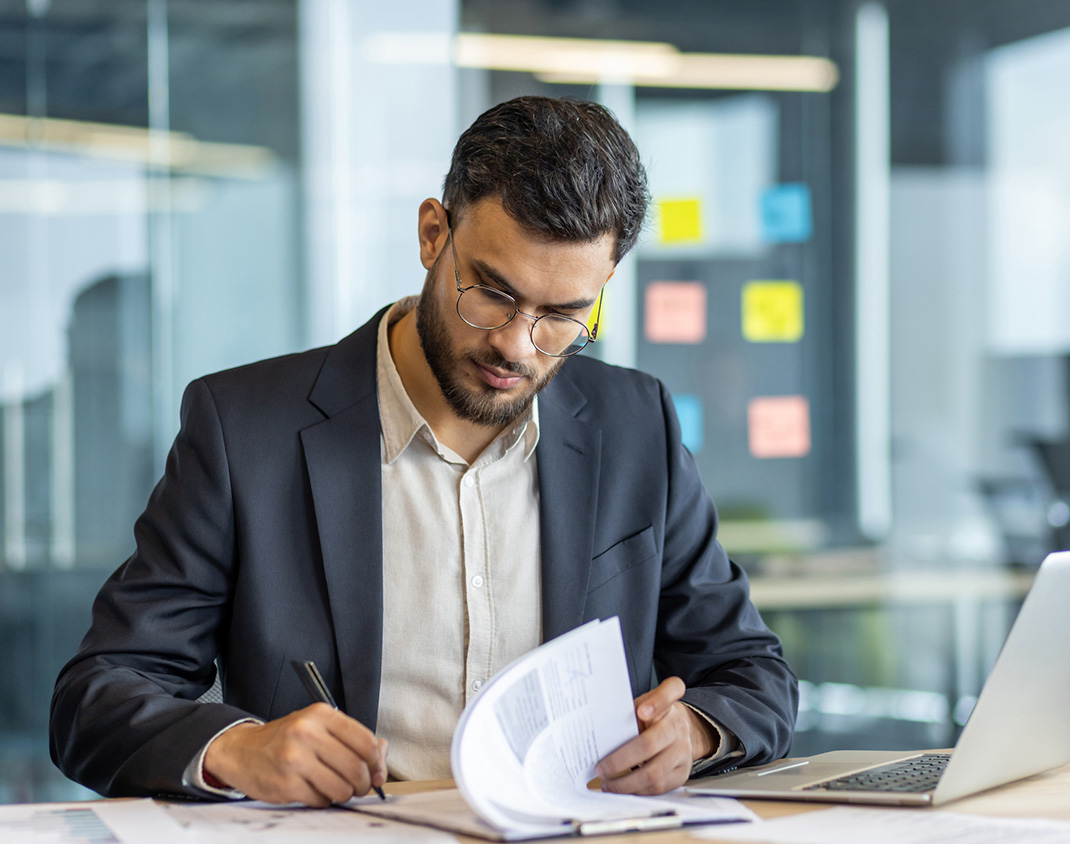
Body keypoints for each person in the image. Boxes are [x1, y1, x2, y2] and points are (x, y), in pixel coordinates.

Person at [50, 96, 798, 806]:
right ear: (433, 234)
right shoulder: (244, 429)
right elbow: (97, 696)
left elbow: (753, 674)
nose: (516, 343)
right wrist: (239, 749)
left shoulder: (638, 425)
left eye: (562, 315)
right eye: (494, 293)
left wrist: (695, 731)